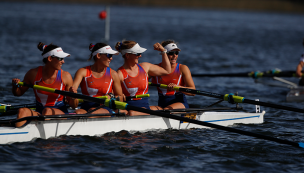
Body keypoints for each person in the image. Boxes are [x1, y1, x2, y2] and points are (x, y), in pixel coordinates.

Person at [12, 42, 77, 127]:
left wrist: (73, 97)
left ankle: (44, 138)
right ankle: (17, 135)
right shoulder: (33, 74)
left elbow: (73, 105)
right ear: (50, 58)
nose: (63, 62)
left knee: (47, 111)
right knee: (22, 111)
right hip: (40, 112)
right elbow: (18, 93)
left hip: (60, 113)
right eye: (60, 58)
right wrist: (15, 86)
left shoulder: (66, 76)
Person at [115, 40, 171, 116]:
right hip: (130, 112)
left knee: (162, 109)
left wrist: (163, 52)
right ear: (127, 55)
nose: (140, 56)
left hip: (145, 110)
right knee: (131, 113)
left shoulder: (145, 67)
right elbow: (114, 97)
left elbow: (167, 70)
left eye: (140, 53)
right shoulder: (120, 74)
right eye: (137, 53)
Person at [71, 43, 123, 115]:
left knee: (93, 111)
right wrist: (72, 94)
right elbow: (73, 92)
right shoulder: (82, 72)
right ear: (98, 55)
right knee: (77, 112)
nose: (111, 58)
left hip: (105, 108)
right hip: (85, 107)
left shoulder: (113, 74)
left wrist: (111, 96)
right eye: (109, 55)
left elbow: (120, 98)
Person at [151, 40, 195, 110]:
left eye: (176, 53)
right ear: (164, 54)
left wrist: (178, 87)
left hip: (180, 104)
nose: (175, 55)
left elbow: (193, 92)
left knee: (166, 110)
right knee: (145, 109)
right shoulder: (155, 68)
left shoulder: (183, 68)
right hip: (162, 105)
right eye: (171, 53)